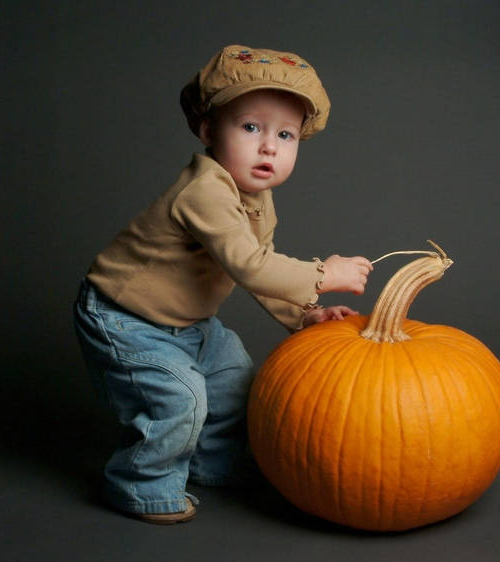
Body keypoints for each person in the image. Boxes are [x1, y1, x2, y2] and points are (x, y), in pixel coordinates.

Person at [73, 45, 373, 524]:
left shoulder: (257, 198)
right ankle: (140, 484)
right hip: (124, 318)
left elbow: (262, 268)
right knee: (181, 396)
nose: (269, 146)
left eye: (286, 134)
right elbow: (251, 266)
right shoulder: (205, 190)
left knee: (234, 380)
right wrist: (324, 274)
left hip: (188, 323)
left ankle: (213, 464)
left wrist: (305, 313)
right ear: (209, 130)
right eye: (251, 127)